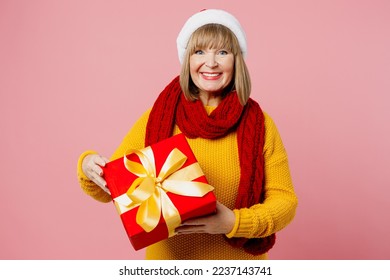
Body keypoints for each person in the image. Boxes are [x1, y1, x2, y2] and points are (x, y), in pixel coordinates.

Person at [77, 9, 298, 260]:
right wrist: (88, 166)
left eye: (222, 52)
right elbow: (111, 190)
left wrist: (234, 223)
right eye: (199, 52)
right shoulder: (157, 118)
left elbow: (285, 201)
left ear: (237, 60)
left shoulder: (261, 125)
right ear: (187, 60)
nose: (211, 62)